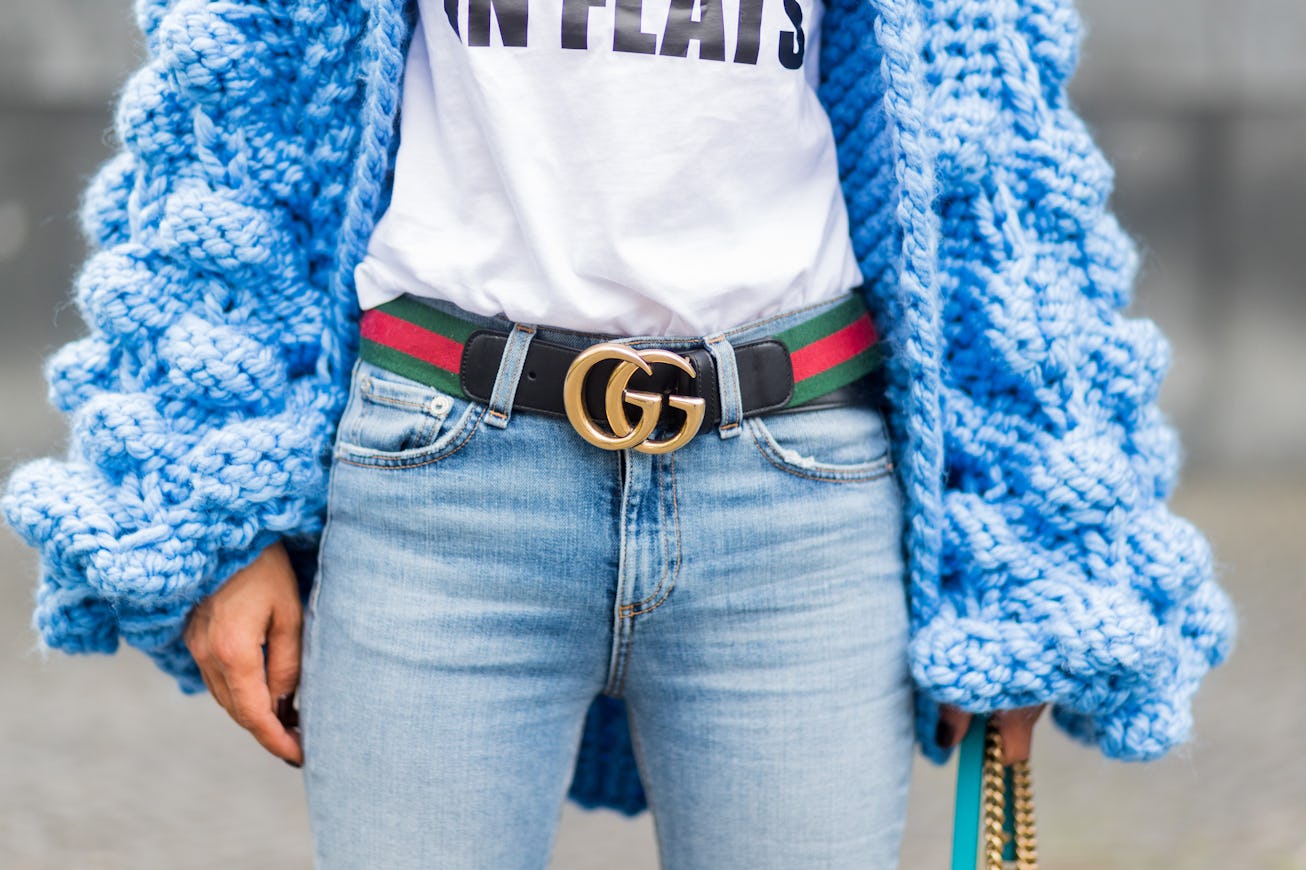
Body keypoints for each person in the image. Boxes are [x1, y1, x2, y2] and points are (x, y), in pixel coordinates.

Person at [1, 0, 1235, 867]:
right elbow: (239, 124)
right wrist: (222, 513)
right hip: (438, 493)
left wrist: (1016, 568)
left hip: (800, 501)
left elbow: (997, 178)